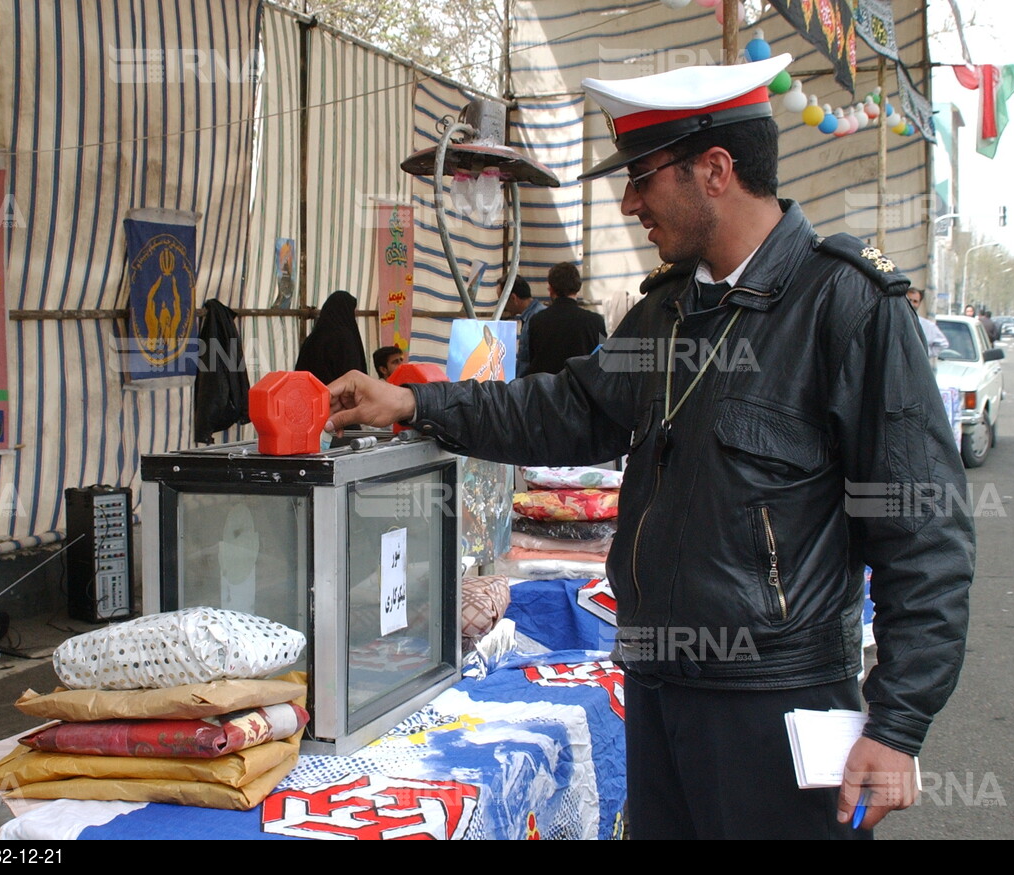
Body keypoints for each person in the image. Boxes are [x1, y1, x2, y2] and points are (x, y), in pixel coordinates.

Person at [326, 54, 974, 840]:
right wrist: (414, 401)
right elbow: (569, 408)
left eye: (642, 176)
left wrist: (898, 723)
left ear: (714, 169)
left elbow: (925, 534)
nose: (631, 200)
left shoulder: (847, 307)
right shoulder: (668, 311)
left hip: (776, 704)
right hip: (659, 690)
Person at [526, 262, 607, 375]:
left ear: (551, 288)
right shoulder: (595, 321)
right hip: (582, 389)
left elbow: (532, 361)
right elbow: (602, 363)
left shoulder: (537, 320)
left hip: (547, 389)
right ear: (578, 287)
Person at [294, 290, 367, 384]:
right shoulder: (344, 338)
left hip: (312, 395)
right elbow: (353, 375)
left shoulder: (311, 339)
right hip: (337, 396)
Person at [501, 275, 545, 377]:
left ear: (513, 298)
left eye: (502, 301)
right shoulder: (531, 316)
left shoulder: (537, 318)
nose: (503, 307)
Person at [906, 287, 949, 369]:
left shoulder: (927, 326)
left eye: (915, 301)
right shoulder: (893, 322)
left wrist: (923, 353)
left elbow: (943, 344)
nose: (911, 304)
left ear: (919, 304)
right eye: (909, 300)